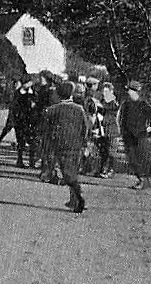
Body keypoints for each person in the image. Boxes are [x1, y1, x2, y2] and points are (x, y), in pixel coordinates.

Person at [42, 80, 88, 213]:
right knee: (73, 170)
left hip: (61, 145)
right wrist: (85, 143)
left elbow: (45, 130)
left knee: (68, 174)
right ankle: (74, 199)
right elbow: (85, 128)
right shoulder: (79, 109)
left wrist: (47, 146)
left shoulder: (52, 110)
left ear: (58, 94)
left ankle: (79, 198)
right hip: (77, 145)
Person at [117, 80, 151, 190]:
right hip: (128, 135)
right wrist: (122, 130)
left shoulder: (143, 104)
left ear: (135, 91)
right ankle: (140, 179)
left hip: (140, 135)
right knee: (132, 159)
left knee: (140, 158)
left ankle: (143, 180)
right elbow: (122, 119)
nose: (128, 93)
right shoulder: (126, 104)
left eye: (130, 90)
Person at [96, 82, 120, 178]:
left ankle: (110, 170)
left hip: (112, 129)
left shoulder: (113, 101)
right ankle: (103, 169)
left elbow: (111, 108)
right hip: (103, 128)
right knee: (103, 151)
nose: (104, 92)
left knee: (111, 152)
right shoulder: (103, 100)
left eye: (106, 91)